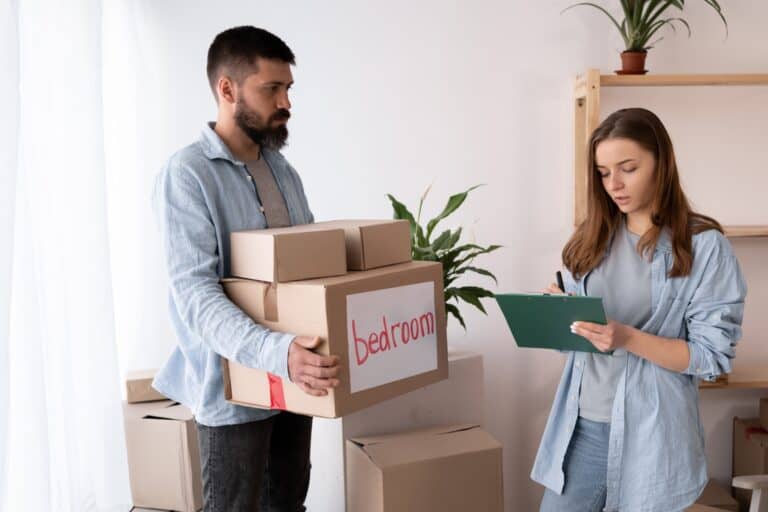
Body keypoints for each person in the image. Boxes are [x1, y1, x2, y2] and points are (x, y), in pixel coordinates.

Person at [152, 26, 341, 512]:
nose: (286, 103)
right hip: (232, 394)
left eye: (288, 89)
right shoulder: (187, 174)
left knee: (288, 505)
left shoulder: (284, 171)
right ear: (228, 89)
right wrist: (278, 354)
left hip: (296, 383)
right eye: (271, 89)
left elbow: (306, 273)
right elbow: (195, 296)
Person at [532, 107, 747, 511]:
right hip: (580, 429)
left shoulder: (703, 247)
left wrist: (627, 337)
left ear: (660, 163)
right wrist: (558, 316)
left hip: (653, 437)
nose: (614, 184)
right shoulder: (591, 239)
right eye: (603, 172)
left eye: (628, 168)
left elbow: (710, 357)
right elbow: (576, 344)